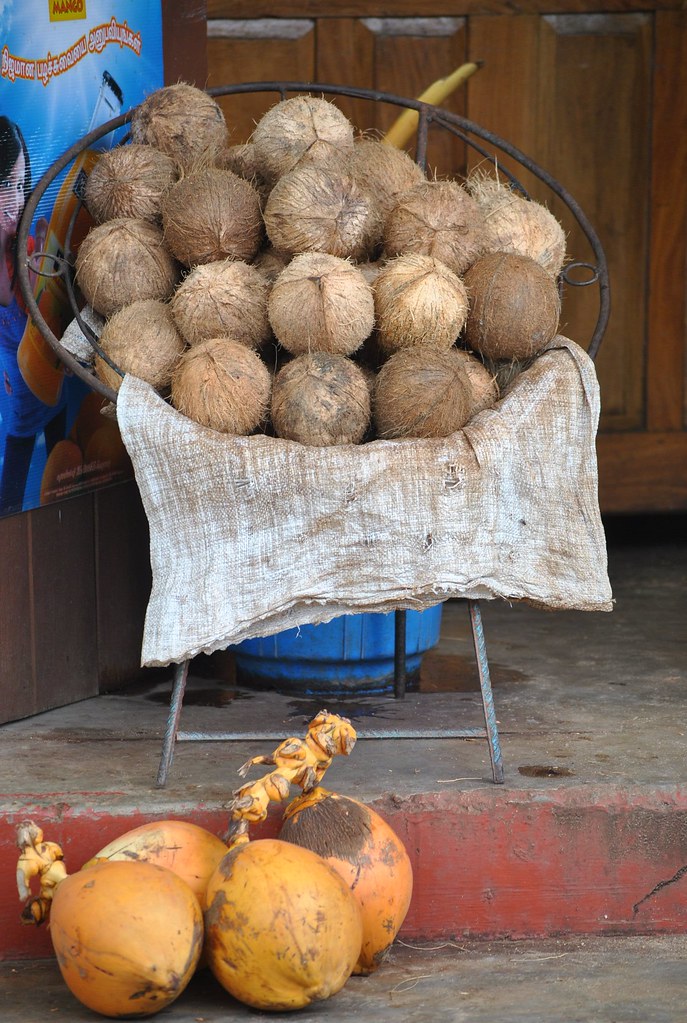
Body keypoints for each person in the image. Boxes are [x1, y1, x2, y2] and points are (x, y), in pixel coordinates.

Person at [0, 115, 66, 516]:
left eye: (20, 185)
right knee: (21, 435)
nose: (15, 199)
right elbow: (9, 296)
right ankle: (10, 512)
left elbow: (40, 293)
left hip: (46, 354)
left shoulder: (20, 241)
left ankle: (62, 491)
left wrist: (40, 247)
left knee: (58, 422)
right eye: (4, 186)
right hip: (20, 367)